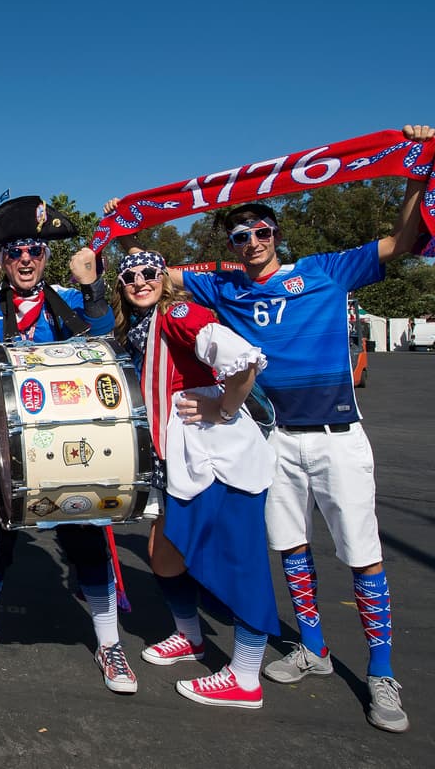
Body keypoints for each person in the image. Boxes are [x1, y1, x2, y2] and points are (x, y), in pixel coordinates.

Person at [160, 122, 435, 733]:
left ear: (276, 234)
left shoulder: (327, 271)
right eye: (240, 235)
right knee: (291, 549)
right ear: (231, 244)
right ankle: (312, 649)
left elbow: (404, 239)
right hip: (275, 439)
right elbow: (162, 275)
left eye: (261, 231)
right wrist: (121, 223)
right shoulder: (225, 282)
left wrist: (417, 171)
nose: (252, 241)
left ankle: (383, 672)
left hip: (338, 436)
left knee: (362, 557)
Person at [0, 197, 138, 694]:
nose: (26, 259)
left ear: (46, 256)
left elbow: (105, 338)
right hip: (1, 448)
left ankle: (109, 644)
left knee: (86, 538)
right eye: (15, 251)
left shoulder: (67, 300)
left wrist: (92, 283)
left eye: (35, 249)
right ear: (5, 258)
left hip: (69, 449)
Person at [107, 248, 278, 708]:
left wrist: (224, 406)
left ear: (164, 276)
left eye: (149, 273)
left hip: (218, 460)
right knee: (163, 555)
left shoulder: (177, 311)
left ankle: (245, 677)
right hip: (180, 463)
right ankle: (191, 638)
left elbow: (241, 358)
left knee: (238, 564)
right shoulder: (139, 328)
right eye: (129, 276)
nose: (140, 281)